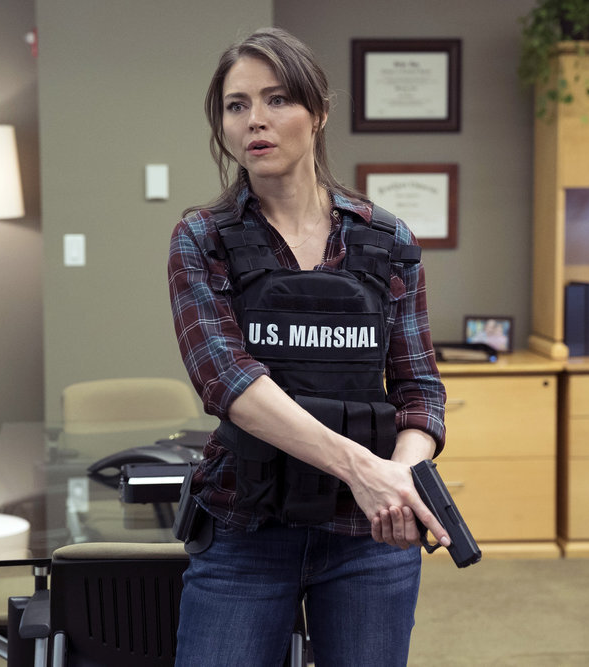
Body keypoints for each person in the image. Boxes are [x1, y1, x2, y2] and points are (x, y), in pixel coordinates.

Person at [167, 27, 447, 666]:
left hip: (368, 535)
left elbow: (419, 390)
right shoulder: (203, 239)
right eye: (236, 105)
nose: (255, 120)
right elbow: (228, 382)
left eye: (277, 99)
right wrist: (363, 469)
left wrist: (400, 476)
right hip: (246, 529)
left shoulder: (389, 240)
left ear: (318, 112)